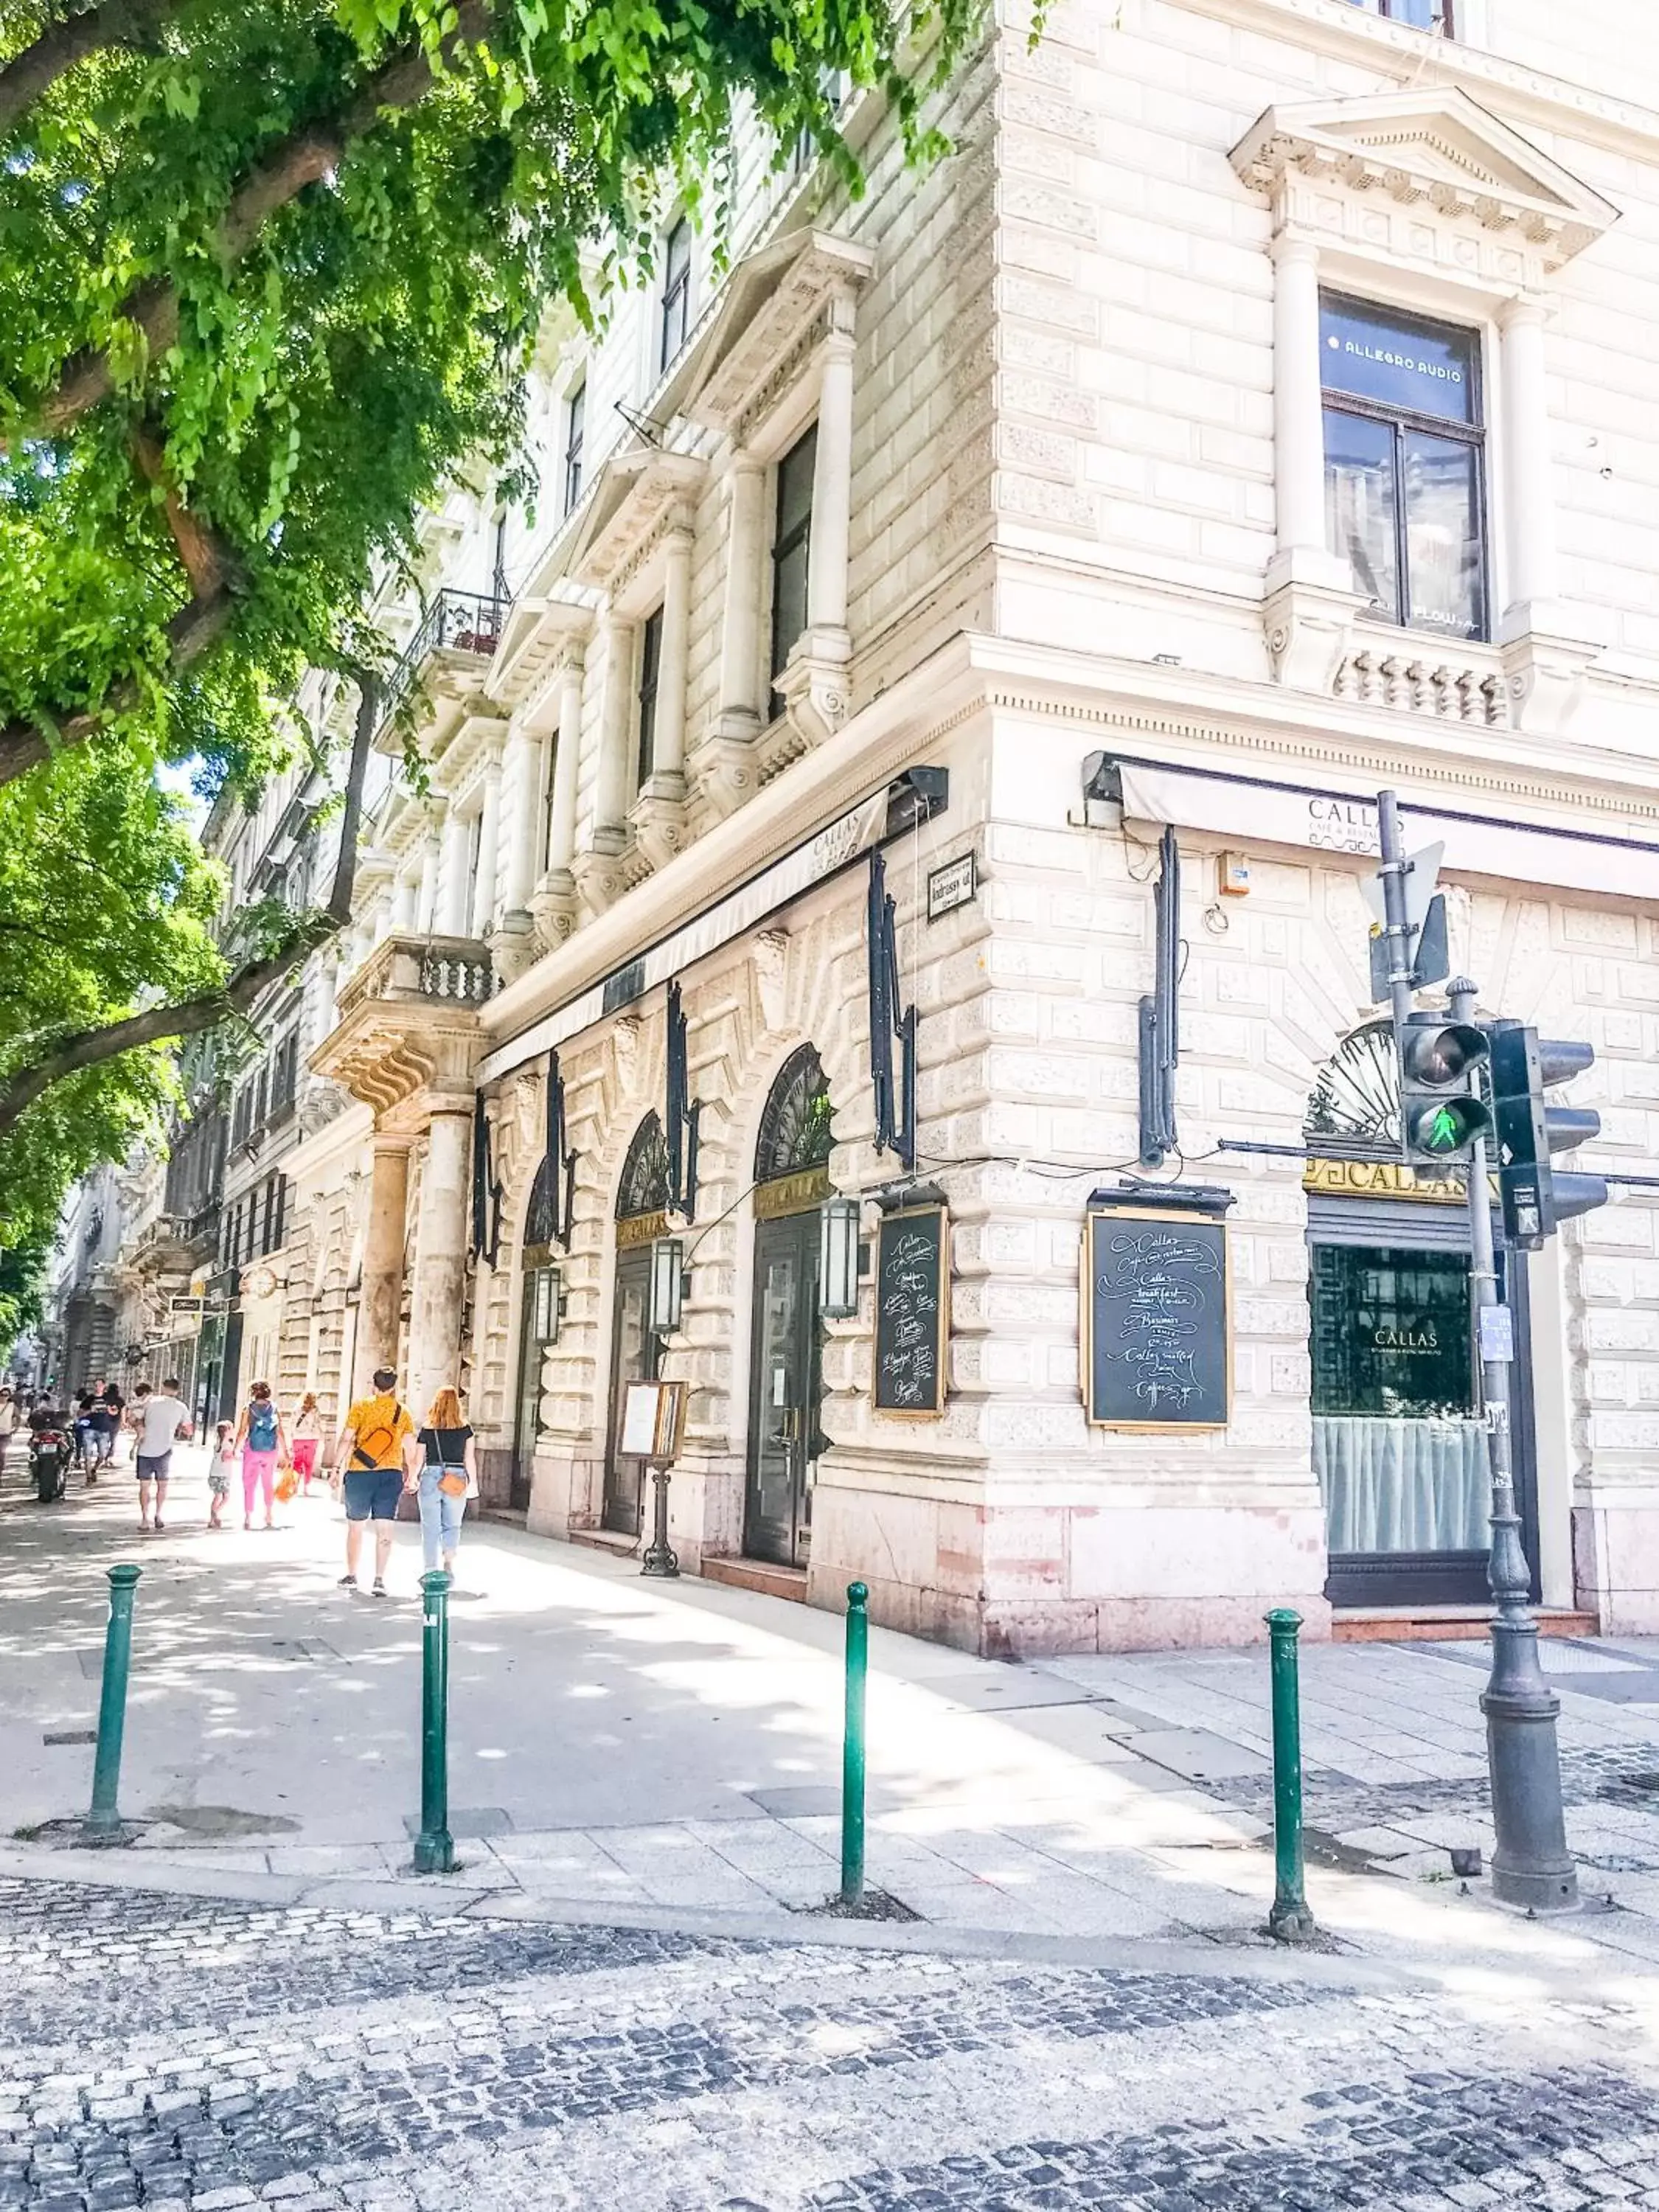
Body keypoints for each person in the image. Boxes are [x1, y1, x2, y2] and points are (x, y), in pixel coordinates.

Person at [333, 1368, 412, 1597]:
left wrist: (336, 1468)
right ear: (394, 1387)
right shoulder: (402, 1412)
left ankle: (351, 1574)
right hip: (391, 1473)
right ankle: (379, 1579)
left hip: (360, 1472)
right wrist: (414, 1473)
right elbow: (410, 1445)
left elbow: (347, 1438)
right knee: (385, 1528)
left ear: (374, 1385)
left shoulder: (361, 1406)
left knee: (356, 1526)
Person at [403, 1386, 476, 1584]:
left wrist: (413, 1478)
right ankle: (449, 1564)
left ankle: (430, 1569)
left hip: (431, 1476)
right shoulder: (466, 1429)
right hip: (456, 1478)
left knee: (430, 1526)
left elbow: (419, 1459)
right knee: (452, 1524)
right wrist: (473, 1484)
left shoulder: (428, 1428)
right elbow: (469, 1459)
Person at [131, 1376, 191, 1533]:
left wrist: (140, 1430)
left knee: (145, 1486)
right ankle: (158, 1514)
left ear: (163, 1387)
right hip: (165, 1450)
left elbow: (134, 1418)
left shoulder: (150, 1402)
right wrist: (177, 1428)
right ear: (178, 1391)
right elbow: (188, 1430)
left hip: (145, 1449)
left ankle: (145, 1519)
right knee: (162, 1486)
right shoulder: (181, 1407)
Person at [234, 1381, 288, 1531]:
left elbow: (242, 1431)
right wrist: (286, 1452)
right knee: (268, 1482)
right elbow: (280, 1431)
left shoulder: (248, 1409)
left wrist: (236, 1449)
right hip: (270, 1450)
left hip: (252, 1449)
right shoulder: (274, 1408)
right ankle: (269, 1514)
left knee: (249, 1483)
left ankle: (248, 1517)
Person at [291, 1393, 324, 1493]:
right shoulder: (316, 1410)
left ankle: (295, 1487)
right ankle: (305, 1488)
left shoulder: (297, 1409)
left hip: (298, 1438)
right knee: (308, 1464)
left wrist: (292, 1436)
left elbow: (292, 1424)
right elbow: (318, 1424)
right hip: (312, 1439)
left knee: (297, 1463)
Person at [207, 1420, 237, 1530]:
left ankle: (211, 1520)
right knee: (226, 1497)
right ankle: (216, 1513)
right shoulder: (227, 1445)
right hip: (223, 1474)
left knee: (217, 1496)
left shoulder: (217, 1444)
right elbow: (225, 1458)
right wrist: (234, 1456)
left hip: (214, 1473)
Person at [91, 1377, 125, 1473]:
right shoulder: (120, 1400)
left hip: (104, 1420)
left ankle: (101, 1457)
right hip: (116, 1421)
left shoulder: (104, 1397)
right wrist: (123, 1422)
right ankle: (108, 1458)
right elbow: (123, 1411)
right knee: (113, 1440)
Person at [0, 1387, 15, 1479]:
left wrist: (16, 1428)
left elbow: (18, 1417)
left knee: (1, 1454)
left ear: (9, 1396)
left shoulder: (12, 1406)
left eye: (6, 1395)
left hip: (5, 1435)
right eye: (2, 1395)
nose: (3, 1397)